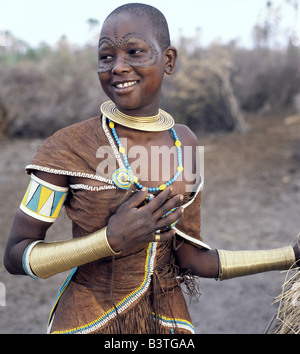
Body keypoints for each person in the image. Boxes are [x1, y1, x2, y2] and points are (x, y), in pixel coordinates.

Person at [4, 3, 300, 334]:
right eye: (106, 57)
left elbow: (191, 257)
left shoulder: (185, 143)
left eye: (134, 52)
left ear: (168, 60)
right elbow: (16, 256)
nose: (118, 67)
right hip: (88, 321)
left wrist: (290, 256)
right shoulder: (68, 147)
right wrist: (109, 240)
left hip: (167, 324)